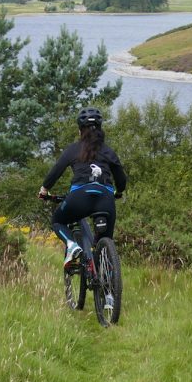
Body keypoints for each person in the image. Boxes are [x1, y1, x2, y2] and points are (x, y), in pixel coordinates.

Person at [39, 107, 127, 268]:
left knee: (57, 221)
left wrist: (44, 190)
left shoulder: (73, 149)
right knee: (105, 243)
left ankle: (72, 245)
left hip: (79, 197)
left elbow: (56, 171)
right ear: (100, 129)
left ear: (80, 130)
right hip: (106, 199)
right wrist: (118, 192)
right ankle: (108, 288)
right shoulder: (108, 151)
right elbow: (121, 179)